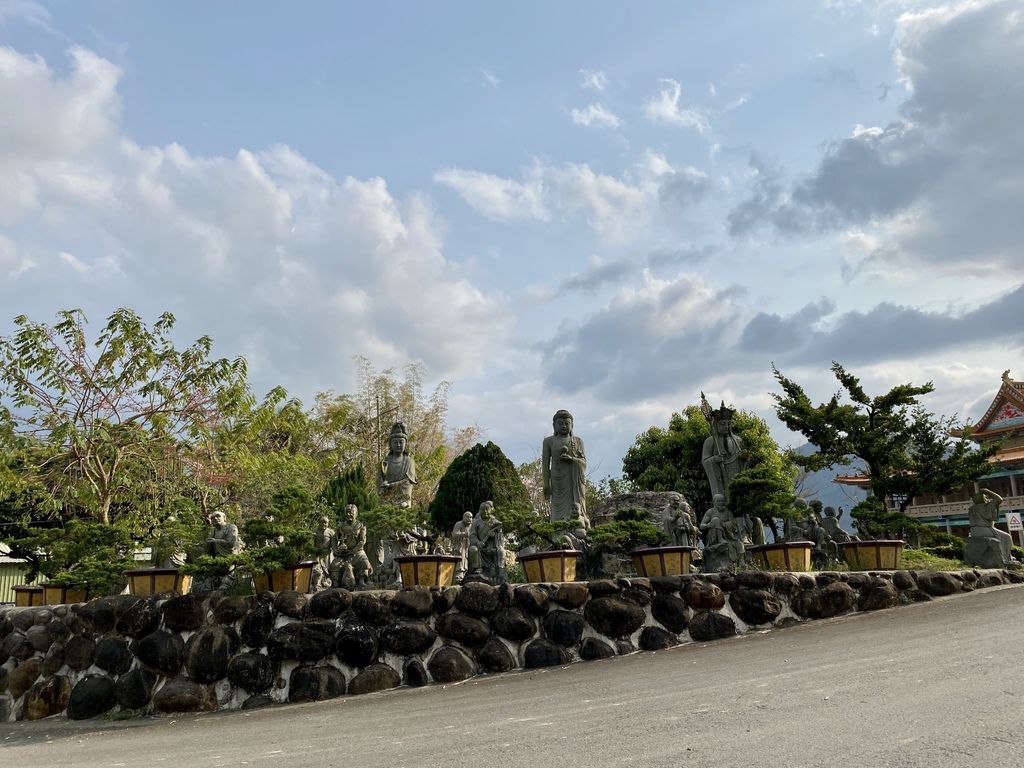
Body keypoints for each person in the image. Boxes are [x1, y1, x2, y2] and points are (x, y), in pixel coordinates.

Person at [542, 410, 589, 526]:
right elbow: (545, 464)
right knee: (557, 507)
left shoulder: (578, 441)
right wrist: (546, 485)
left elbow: (584, 463)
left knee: (575, 505)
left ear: (572, 425)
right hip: (557, 480)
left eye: (566, 423)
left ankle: (578, 525)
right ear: (554, 425)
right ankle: (558, 529)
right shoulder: (549, 441)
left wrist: (572, 460)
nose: (563, 426)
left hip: (574, 480)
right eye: (560, 423)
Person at [700, 394, 748, 505]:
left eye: (728, 424)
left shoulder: (738, 440)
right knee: (724, 500)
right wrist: (714, 460)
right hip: (720, 476)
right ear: (716, 425)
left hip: (736, 473)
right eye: (722, 424)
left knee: (739, 499)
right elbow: (705, 461)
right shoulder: (710, 441)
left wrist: (744, 458)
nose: (726, 427)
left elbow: (744, 458)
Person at [965, 489, 1015, 567]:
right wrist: (987, 491)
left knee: (1002, 536)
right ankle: (1006, 558)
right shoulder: (986, 506)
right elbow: (999, 499)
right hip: (985, 530)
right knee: (1006, 537)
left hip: (974, 531)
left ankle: (1006, 557)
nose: (988, 499)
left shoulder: (971, 509)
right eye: (986, 498)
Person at [331, 504, 373, 589]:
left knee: (364, 562)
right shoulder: (340, 526)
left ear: (356, 513)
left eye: (351, 512)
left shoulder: (360, 526)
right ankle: (335, 583)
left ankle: (362, 581)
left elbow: (362, 541)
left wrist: (354, 550)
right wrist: (335, 549)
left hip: (357, 551)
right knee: (334, 565)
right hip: (344, 553)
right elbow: (334, 539)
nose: (348, 514)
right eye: (346, 512)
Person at [378, 421, 418, 508]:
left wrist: (391, 485)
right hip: (386, 501)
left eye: (401, 442)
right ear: (390, 444)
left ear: (405, 444)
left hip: (402, 502)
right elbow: (379, 480)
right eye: (395, 442)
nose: (398, 445)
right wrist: (382, 487)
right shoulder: (385, 462)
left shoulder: (409, 462)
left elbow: (408, 482)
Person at [467, 500, 506, 584]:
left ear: (491, 510)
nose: (484, 512)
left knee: (501, 551)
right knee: (473, 549)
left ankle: (500, 569)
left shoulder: (495, 522)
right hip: (479, 545)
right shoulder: (476, 522)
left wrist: (496, 534)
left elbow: (500, 535)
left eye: (486, 510)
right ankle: (477, 568)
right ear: (479, 511)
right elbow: (472, 535)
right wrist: (478, 542)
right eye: (482, 510)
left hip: (491, 545)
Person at [451, 511, 474, 580]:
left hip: (469, 545)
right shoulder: (458, 524)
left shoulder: (472, 526)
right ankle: (459, 573)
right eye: (467, 517)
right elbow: (454, 534)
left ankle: (470, 573)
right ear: (463, 517)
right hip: (460, 545)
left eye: (471, 517)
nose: (469, 519)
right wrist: (463, 534)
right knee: (461, 556)